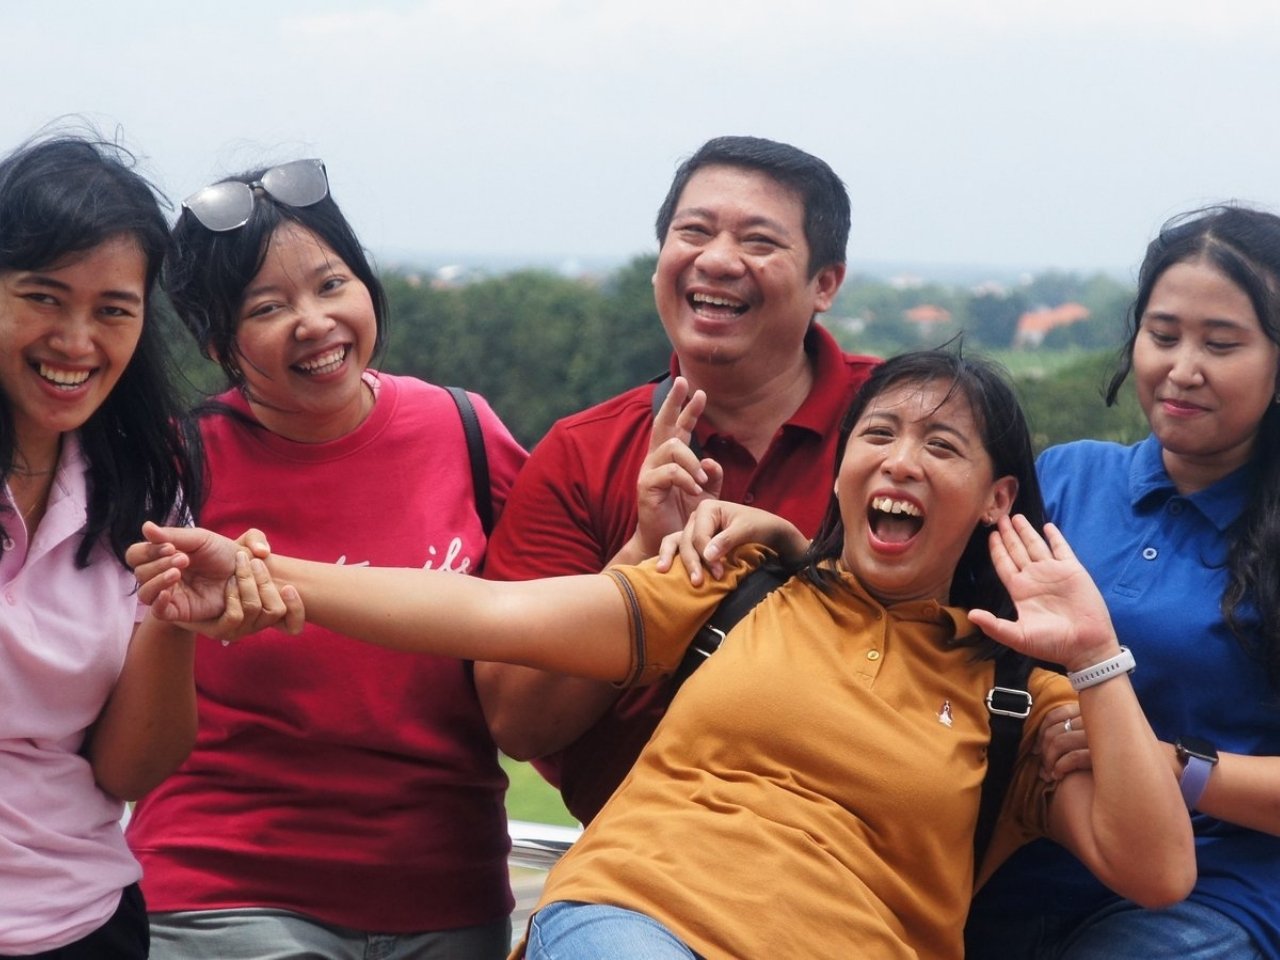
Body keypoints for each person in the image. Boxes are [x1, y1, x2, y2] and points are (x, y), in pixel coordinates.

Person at [131, 349, 1195, 959]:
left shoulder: (1016, 693)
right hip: (634, 920)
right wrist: (265, 574)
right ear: (840, 471)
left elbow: (1155, 869)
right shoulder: (741, 583)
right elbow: (486, 617)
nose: (898, 463)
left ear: (998, 499)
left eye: (941, 446)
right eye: (876, 435)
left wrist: (1094, 653)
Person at [122, 158, 528, 959]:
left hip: (449, 891)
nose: (314, 323)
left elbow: (552, 615)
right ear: (216, 341)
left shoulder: (464, 430)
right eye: (268, 307)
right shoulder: (175, 466)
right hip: (224, 887)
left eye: (331, 284)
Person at [475, 134, 880, 824]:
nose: (717, 260)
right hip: (639, 865)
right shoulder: (583, 454)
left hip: (854, 859)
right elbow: (518, 721)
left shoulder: (905, 434)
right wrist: (641, 556)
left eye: (759, 241)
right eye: (693, 232)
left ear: (826, 283)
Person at [962, 205, 1280, 959]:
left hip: (1210, 889)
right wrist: (778, 538)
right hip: (1025, 854)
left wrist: (1174, 767)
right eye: (1163, 335)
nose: (1183, 369)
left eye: (1222, 344)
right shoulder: (1066, 479)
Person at [0, 133, 280, 958]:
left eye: (113, 310)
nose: (77, 341)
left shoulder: (142, 487)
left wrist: (172, 619)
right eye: (44, 297)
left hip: (83, 922)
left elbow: (127, 773)